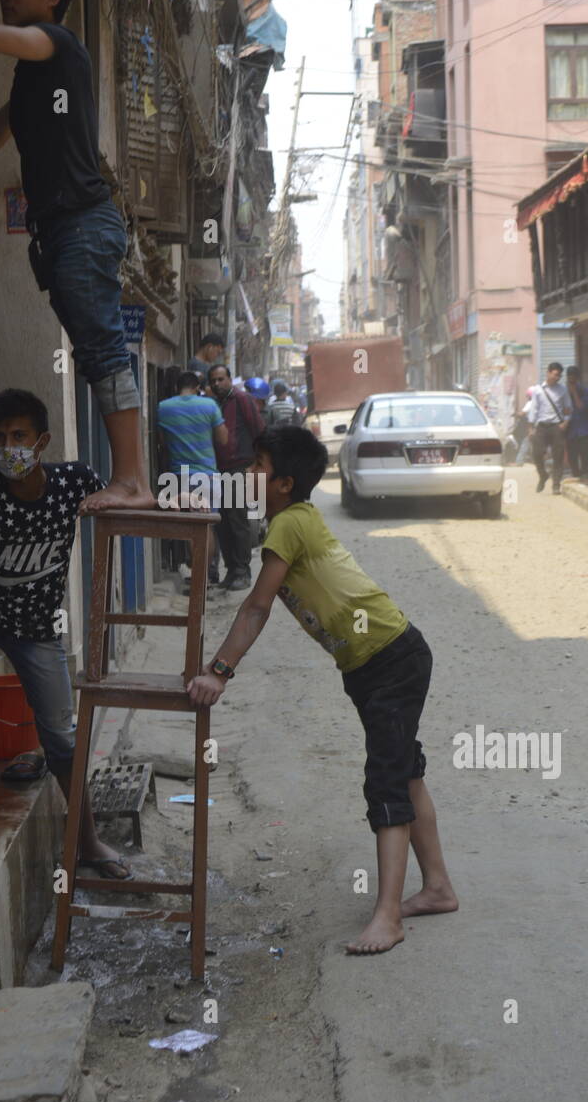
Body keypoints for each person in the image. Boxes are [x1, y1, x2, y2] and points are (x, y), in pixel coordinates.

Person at [187, 426, 456, 954]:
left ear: (284, 483)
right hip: (374, 660)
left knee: (386, 780)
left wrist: (218, 670)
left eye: (258, 465)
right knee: (405, 770)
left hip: (389, 657)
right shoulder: (291, 518)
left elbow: (257, 607)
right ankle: (438, 888)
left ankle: (388, 917)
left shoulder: (288, 524)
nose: (248, 473)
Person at [0, 0, 153, 514]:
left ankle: (133, 482)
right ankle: (131, 480)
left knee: (101, 348)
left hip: (82, 224)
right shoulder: (31, 80)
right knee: (97, 350)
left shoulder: (57, 44)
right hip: (64, 231)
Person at [0, 388, 131, 879]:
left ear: (41, 441)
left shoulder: (73, 481)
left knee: (63, 739)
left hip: (39, 630)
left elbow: (118, 505)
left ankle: (87, 842)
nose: (9, 448)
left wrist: (177, 501)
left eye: (19, 436)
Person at [157, 372, 228, 583]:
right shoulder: (209, 405)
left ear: (178, 387)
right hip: (207, 474)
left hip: (181, 475)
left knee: (192, 528)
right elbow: (223, 439)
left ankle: (201, 577)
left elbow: (162, 441)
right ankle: (205, 576)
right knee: (207, 526)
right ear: (198, 386)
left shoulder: (164, 407)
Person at [208, 365, 264, 591]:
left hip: (238, 468)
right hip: (218, 471)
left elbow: (259, 429)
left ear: (230, 379)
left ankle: (243, 571)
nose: (217, 384)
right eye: (213, 380)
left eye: (221, 379)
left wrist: (257, 463)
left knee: (237, 521)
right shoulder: (213, 404)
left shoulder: (242, 399)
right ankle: (231, 571)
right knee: (222, 523)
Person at [527, 362, 571, 494]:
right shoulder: (538, 390)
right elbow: (533, 409)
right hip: (541, 426)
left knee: (558, 456)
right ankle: (543, 475)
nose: (557, 377)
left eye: (559, 375)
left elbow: (568, 408)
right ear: (548, 372)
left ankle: (556, 485)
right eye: (555, 374)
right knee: (537, 454)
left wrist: (566, 422)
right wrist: (530, 427)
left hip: (557, 427)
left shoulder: (563, 390)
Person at [565, 366, 588, 479]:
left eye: (573, 377)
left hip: (584, 429)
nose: (571, 380)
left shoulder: (585, 391)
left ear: (577, 378)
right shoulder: (563, 391)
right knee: (572, 457)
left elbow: (581, 407)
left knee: (585, 456)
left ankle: (586, 476)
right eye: (569, 377)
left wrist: (574, 393)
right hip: (570, 430)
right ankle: (576, 476)